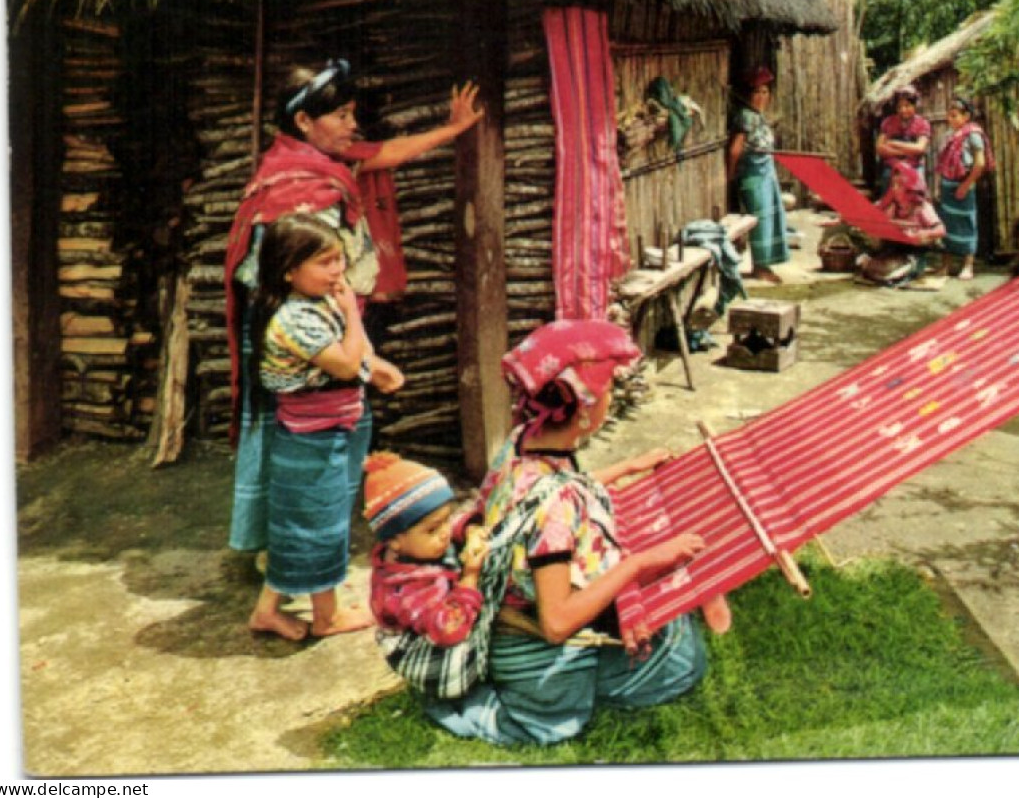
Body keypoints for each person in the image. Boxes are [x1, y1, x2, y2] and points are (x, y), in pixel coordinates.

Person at [227, 57, 484, 640]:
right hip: (306, 353)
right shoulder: (295, 189)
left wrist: (452, 130)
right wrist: (347, 340)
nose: (352, 124)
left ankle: (290, 571)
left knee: (319, 481)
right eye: (340, 115)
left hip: (327, 349)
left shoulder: (321, 164)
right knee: (306, 484)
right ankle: (293, 569)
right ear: (303, 122)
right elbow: (269, 283)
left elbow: (380, 154)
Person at [423, 320, 729, 746]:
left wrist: (626, 468)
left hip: (501, 613)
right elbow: (556, 622)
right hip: (534, 657)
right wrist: (641, 562)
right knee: (684, 658)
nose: (609, 399)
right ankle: (533, 701)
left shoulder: (521, 442)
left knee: (671, 615)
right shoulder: (556, 505)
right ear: (583, 409)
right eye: (606, 392)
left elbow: (547, 491)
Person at [245, 213, 403, 638]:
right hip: (311, 440)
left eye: (338, 260)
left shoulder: (319, 303)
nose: (337, 271)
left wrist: (377, 368)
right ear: (289, 271)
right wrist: (352, 312)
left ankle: (268, 610)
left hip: (330, 430)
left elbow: (359, 353)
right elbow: (348, 361)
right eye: (324, 262)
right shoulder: (295, 319)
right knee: (317, 525)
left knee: (309, 522)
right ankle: (326, 617)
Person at [364, 451, 490, 647]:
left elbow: (451, 524)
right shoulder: (408, 591)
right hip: (429, 646)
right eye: (433, 529)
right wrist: (469, 578)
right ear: (395, 540)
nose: (444, 533)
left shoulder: (415, 546)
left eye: (446, 520)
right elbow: (450, 630)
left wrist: (470, 530)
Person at [727, 66, 790, 283]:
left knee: (771, 217)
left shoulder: (760, 117)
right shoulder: (746, 117)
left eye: (765, 92)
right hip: (753, 175)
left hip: (766, 175)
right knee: (761, 219)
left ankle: (766, 264)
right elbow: (736, 149)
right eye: (757, 92)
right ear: (748, 95)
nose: (761, 97)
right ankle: (760, 267)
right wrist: (731, 175)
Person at [860, 163, 947, 287]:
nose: (895, 189)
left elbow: (941, 229)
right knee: (872, 266)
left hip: (913, 252)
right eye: (893, 184)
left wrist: (923, 234)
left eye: (900, 185)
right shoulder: (891, 205)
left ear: (911, 187)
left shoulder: (922, 207)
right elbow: (866, 212)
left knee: (894, 271)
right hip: (894, 249)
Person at [932, 96, 989, 280]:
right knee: (946, 225)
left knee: (967, 223)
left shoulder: (973, 134)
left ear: (966, 117)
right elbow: (943, 163)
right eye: (949, 115)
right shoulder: (950, 135)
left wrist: (966, 185)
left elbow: (979, 163)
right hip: (948, 185)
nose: (951, 119)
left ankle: (968, 265)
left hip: (964, 185)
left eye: (955, 115)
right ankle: (946, 265)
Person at [875, 86, 932, 196]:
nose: (903, 110)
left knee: (918, 196)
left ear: (914, 105)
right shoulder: (888, 122)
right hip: (891, 168)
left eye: (907, 106)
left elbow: (920, 148)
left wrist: (893, 144)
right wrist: (909, 151)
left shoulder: (923, 124)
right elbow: (880, 149)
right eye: (899, 107)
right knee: (887, 198)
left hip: (914, 167)